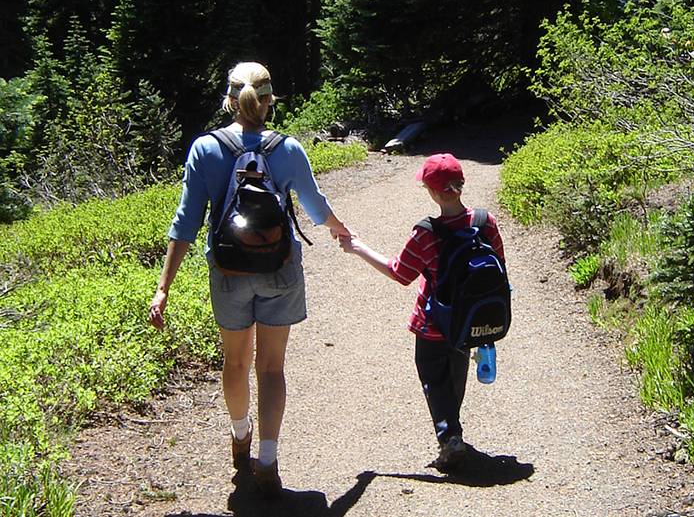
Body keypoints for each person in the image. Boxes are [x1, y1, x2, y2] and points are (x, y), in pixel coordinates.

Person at [149, 61, 351, 497]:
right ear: (269, 101)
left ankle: (241, 435)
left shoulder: (205, 148)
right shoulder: (289, 148)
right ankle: (269, 459)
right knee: (272, 368)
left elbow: (185, 222)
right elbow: (315, 208)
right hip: (279, 270)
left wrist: (163, 286)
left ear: (230, 99)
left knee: (236, 362)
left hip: (228, 271)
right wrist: (340, 230)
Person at [338, 153, 505, 470]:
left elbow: (399, 273)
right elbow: (500, 269)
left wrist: (357, 247)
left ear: (432, 191)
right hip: (467, 322)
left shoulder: (426, 233)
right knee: (454, 377)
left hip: (432, 322)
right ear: (461, 184)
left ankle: (450, 438)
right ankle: (452, 431)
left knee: (433, 379)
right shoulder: (486, 222)